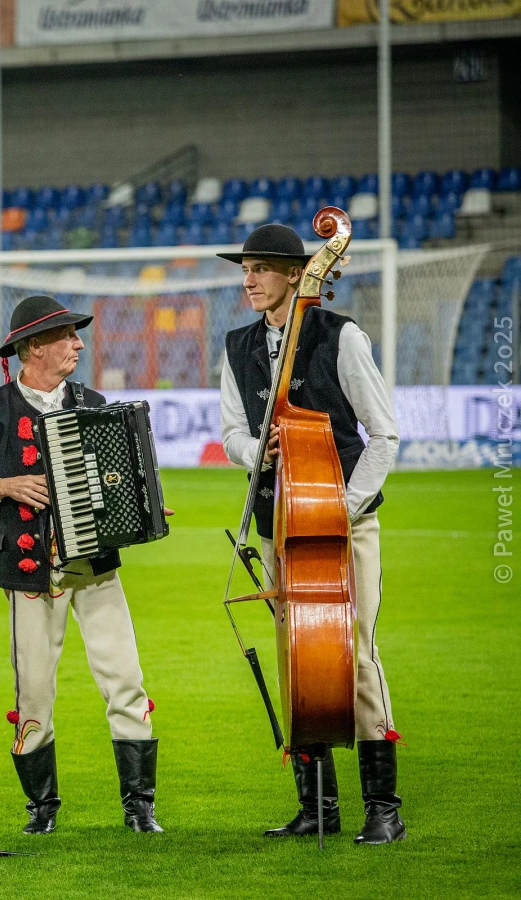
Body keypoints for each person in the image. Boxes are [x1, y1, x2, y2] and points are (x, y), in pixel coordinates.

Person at [0, 294, 167, 836]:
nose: (78, 344)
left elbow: (118, 477)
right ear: (33, 348)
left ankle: (140, 806)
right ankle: (42, 808)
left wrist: (140, 506)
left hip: (94, 566)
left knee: (125, 680)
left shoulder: (94, 402)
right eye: (67, 335)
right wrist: (3, 485)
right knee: (34, 693)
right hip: (29, 571)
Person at [218, 223, 405, 844]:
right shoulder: (238, 346)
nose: (250, 280)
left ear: (298, 274)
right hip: (278, 526)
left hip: (343, 526)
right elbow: (232, 433)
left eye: (262, 268)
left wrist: (343, 508)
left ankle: (384, 808)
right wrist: (256, 451)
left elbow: (383, 435)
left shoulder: (340, 335)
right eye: (246, 269)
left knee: (356, 656)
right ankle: (317, 807)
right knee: (299, 660)